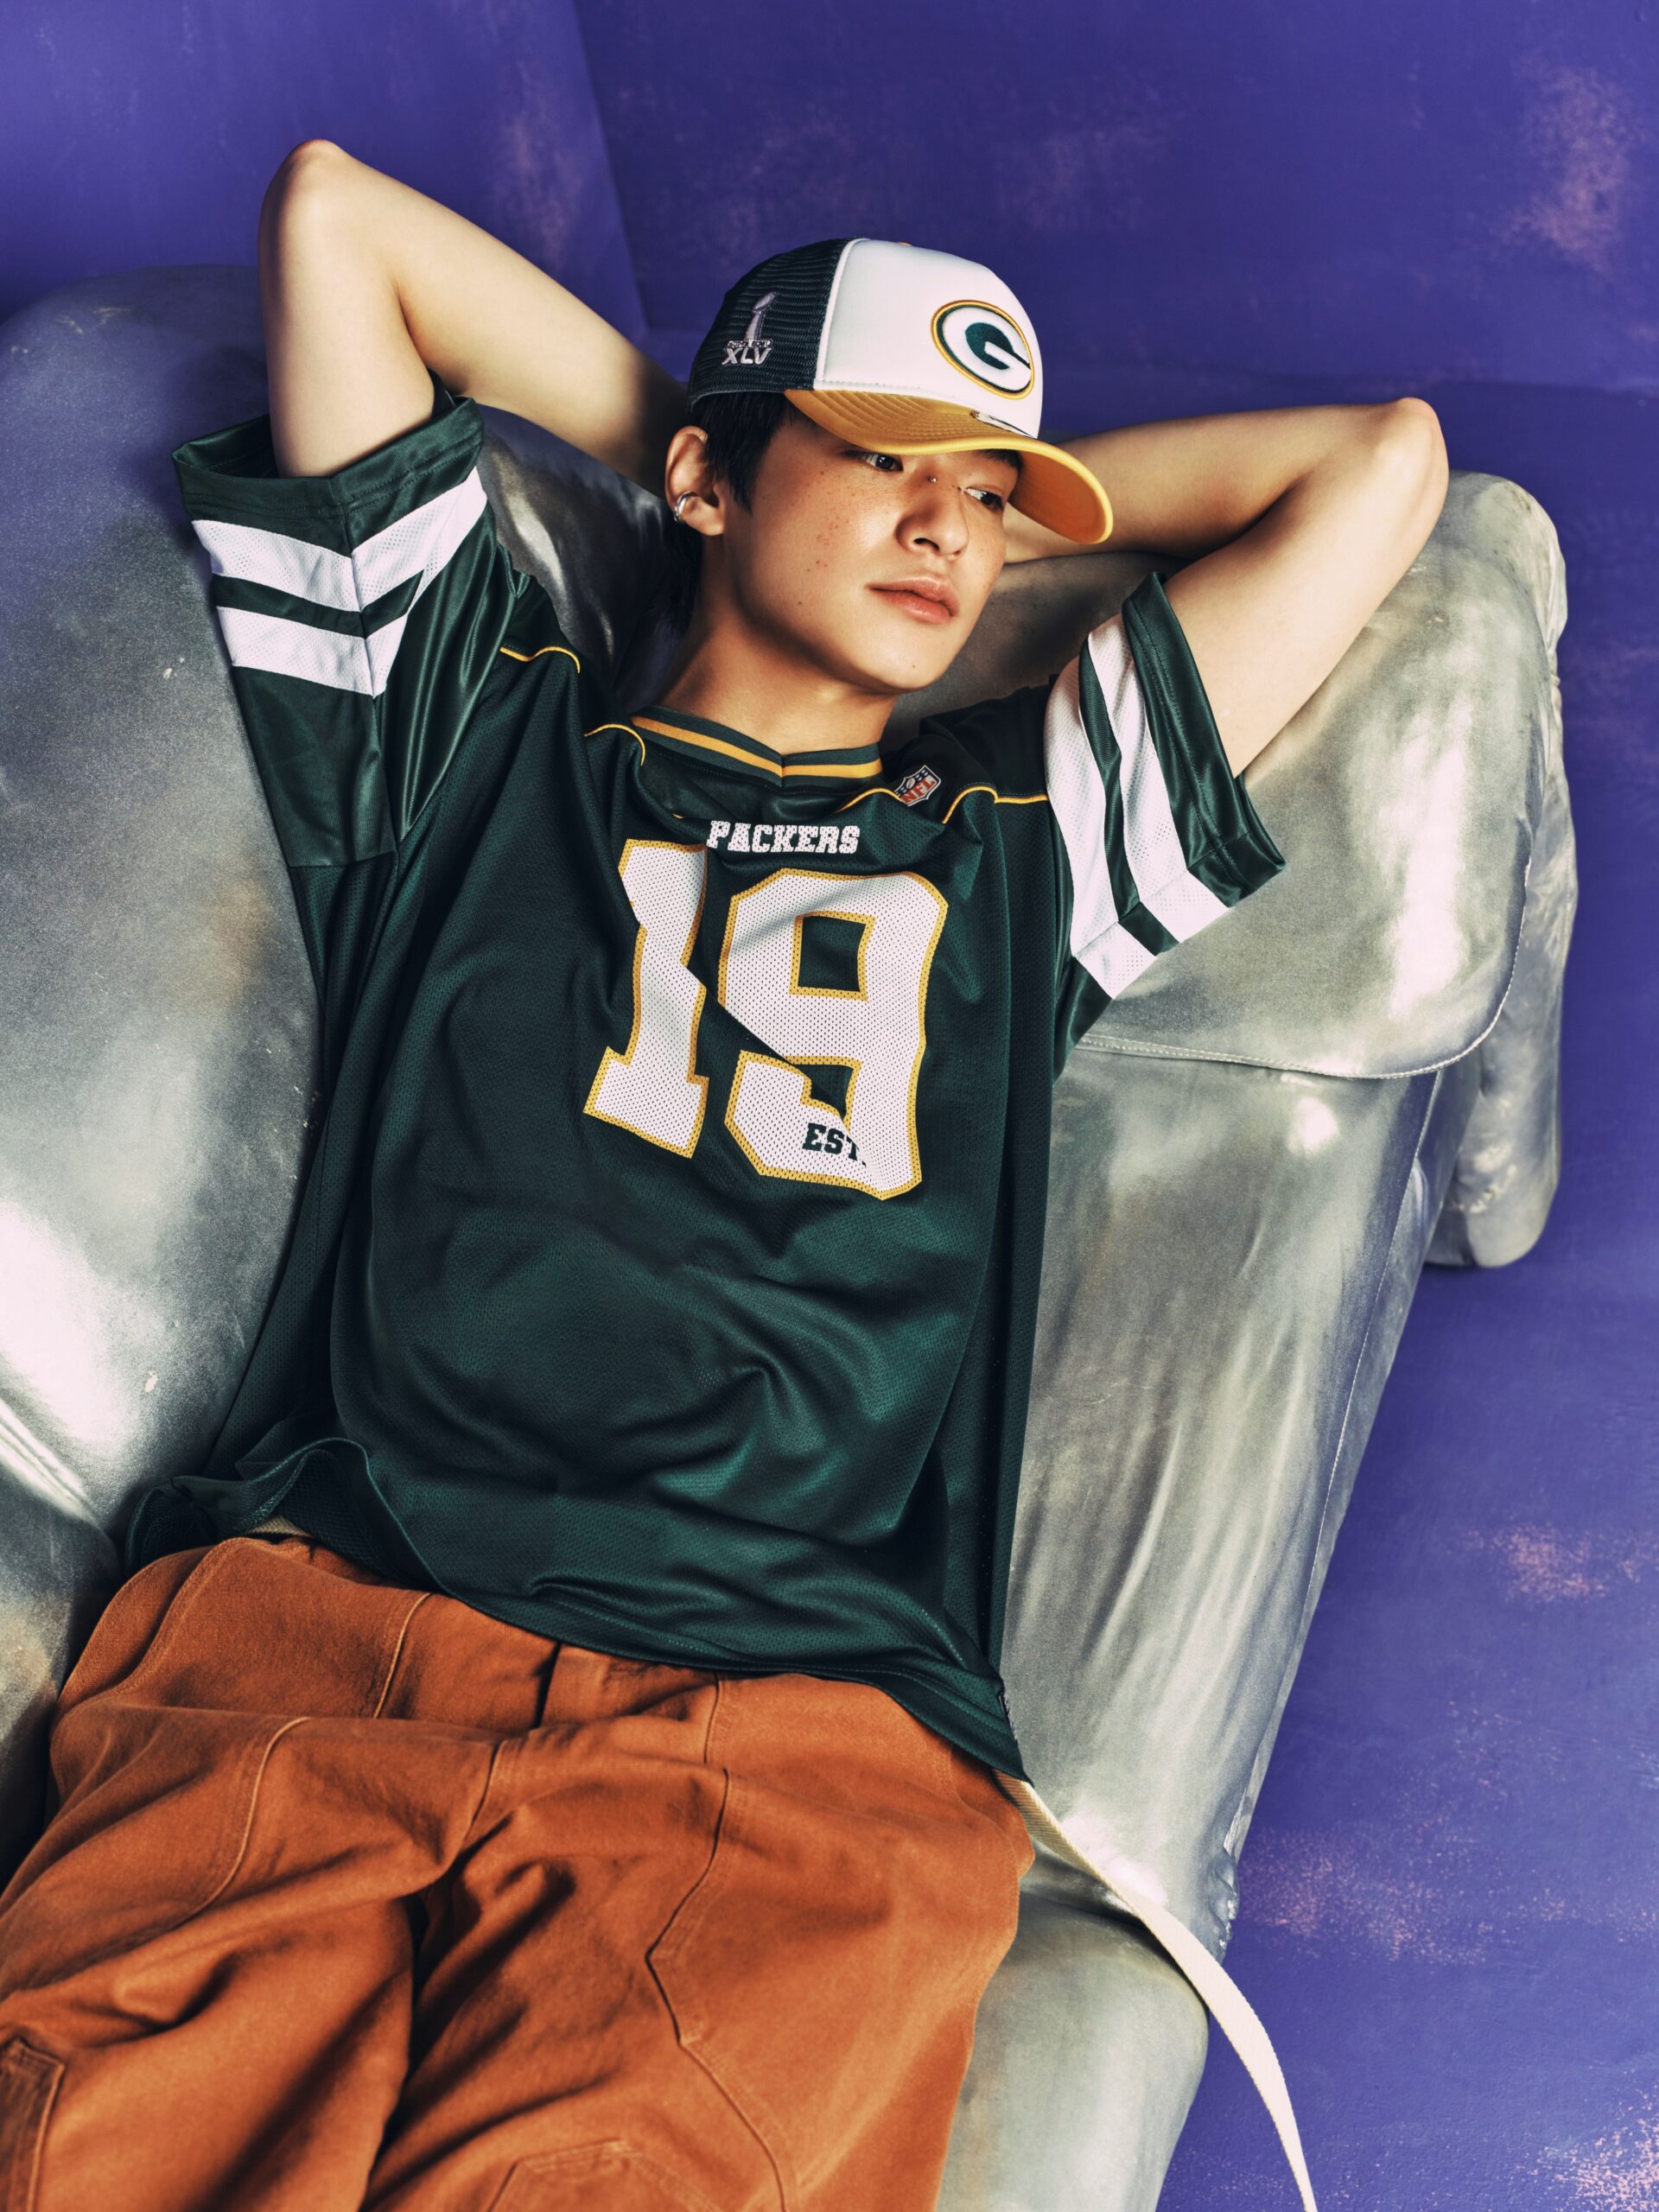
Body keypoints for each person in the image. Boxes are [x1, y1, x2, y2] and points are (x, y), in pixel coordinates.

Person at [0, 140, 1447, 2212]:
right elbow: (336, 222)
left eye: (989, 497)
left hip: (785, 1726)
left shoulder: (1019, 851)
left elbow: (1382, 465)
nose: (946, 528)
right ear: (704, 476)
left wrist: (972, 501)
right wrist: (680, 440)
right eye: (884, 461)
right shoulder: (467, 737)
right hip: (336, 1634)